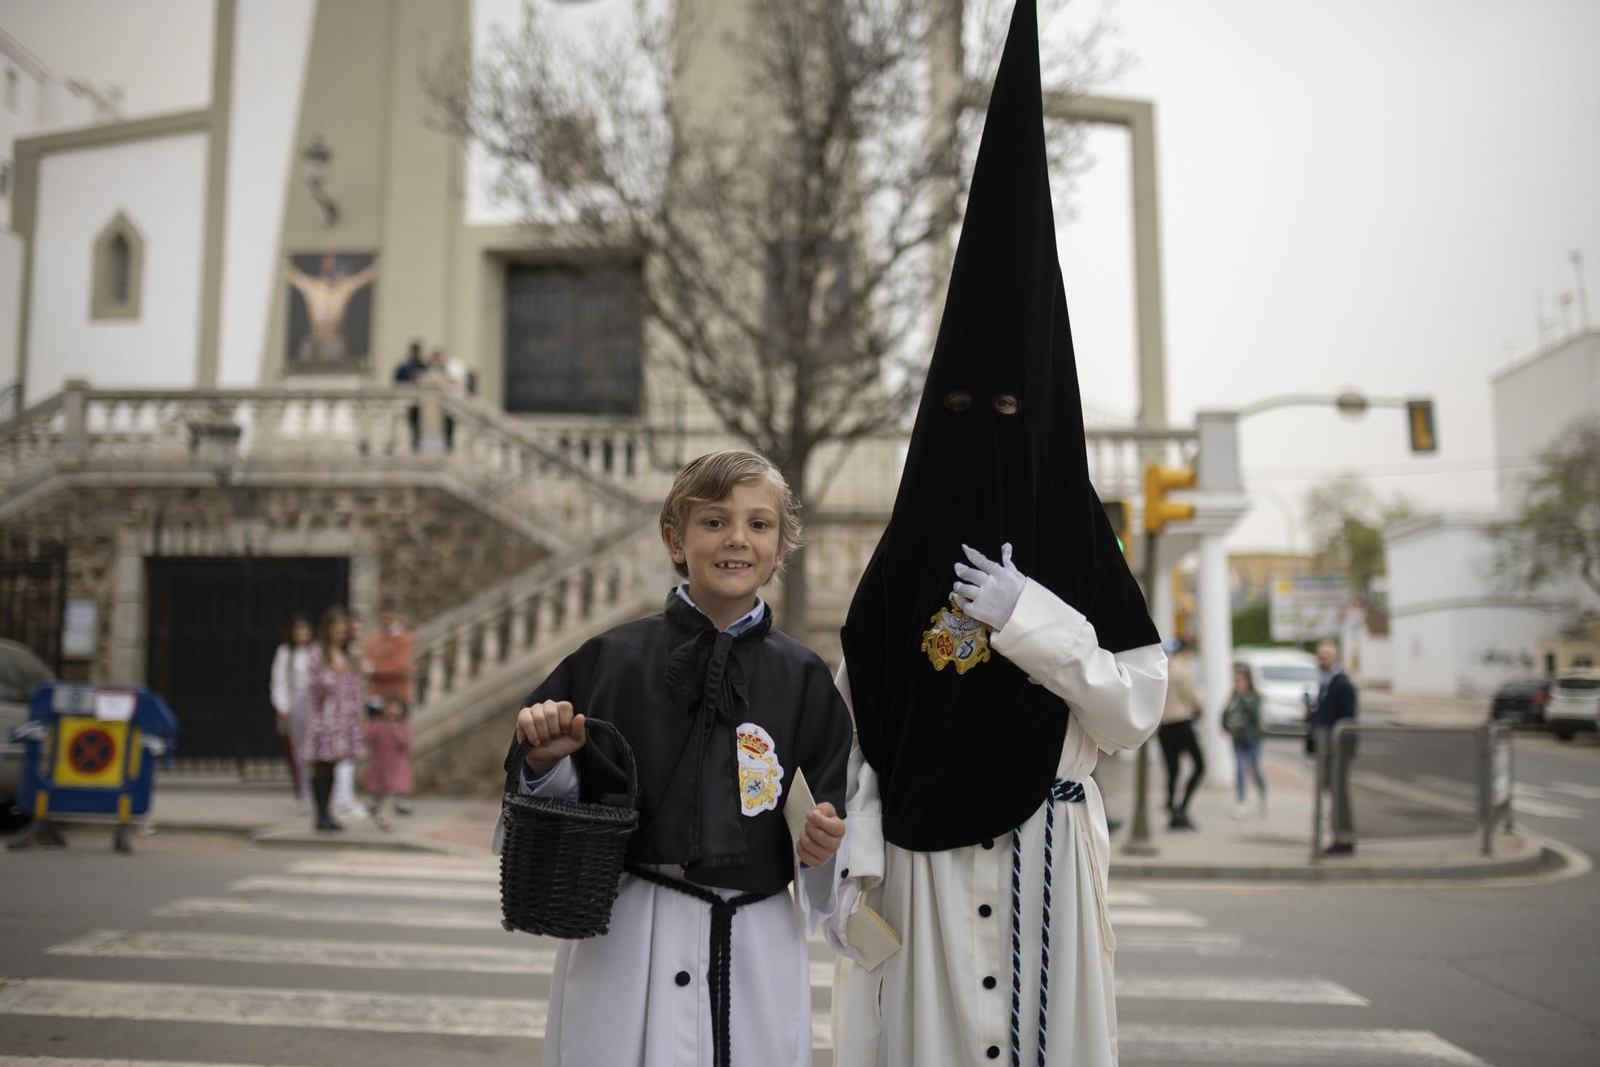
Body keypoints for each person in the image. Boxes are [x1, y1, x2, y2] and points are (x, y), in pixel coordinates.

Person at [829, 7, 1168, 1066]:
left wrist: (1034, 621)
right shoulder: (901, 565)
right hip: (919, 880)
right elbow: (868, 727)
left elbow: (1130, 711)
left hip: (1048, 859)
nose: (988, 434)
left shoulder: (1078, 543)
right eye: (966, 408)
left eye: (1014, 412)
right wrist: (864, 853)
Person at [495, 449, 854, 1067]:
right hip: (628, 938)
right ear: (676, 539)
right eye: (714, 522)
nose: (737, 539)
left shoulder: (804, 678)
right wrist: (548, 760)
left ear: (782, 545)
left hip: (755, 942)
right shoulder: (609, 660)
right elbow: (538, 818)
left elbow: (825, 812)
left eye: (759, 524)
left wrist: (822, 845)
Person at [303, 606, 366, 832]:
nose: (341, 633)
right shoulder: (317, 653)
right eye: (337, 628)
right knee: (321, 765)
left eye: (343, 629)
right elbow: (314, 685)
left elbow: (353, 686)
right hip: (324, 719)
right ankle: (319, 816)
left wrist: (358, 710)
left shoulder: (346, 654)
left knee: (334, 766)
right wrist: (333, 673)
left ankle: (328, 814)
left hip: (342, 719)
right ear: (328, 629)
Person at [364, 598, 416, 814]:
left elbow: (401, 667)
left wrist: (377, 669)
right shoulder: (373, 640)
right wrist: (378, 669)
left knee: (399, 748)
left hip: (397, 698)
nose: (385, 618)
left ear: (395, 615)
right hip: (376, 699)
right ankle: (376, 794)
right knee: (377, 750)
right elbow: (367, 664)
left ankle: (402, 794)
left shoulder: (404, 639)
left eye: (389, 614)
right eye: (382, 615)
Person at [1310, 639, 1359, 855]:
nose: (1322, 660)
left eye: (1326, 657)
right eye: (1320, 657)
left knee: (1339, 792)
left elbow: (1348, 718)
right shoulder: (1327, 682)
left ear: (1335, 658)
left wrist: (1343, 745)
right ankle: (1339, 834)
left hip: (1338, 747)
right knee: (1333, 790)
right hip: (1328, 747)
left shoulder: (1342, 684)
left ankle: (1345, 837)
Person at [1158, 637, 1207, 830]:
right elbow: (1194, 700)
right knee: (1200, 765)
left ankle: (1172, 810)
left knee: (1172, 771)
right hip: (1181, 723)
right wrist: (1202, 693)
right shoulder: (1182, 670)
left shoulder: (1165, 669)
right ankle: (1182, 808)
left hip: (1165, 726)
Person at [268, 614, 314, 812]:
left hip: (313, 703)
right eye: (298, 630)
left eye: (305, 630)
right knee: (299, 752)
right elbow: (279, 681)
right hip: (295, 703)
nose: (302, 634)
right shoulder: (285, 653)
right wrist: (282, 705)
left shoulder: (316, 651)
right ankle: (303, 793)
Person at [363, 694, 414, 832]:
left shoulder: (402, 725)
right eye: (389, 708)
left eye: (396, 708)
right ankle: (377, 808)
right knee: (381, 790)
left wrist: (400, 736)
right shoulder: (378, 724)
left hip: (397, 764)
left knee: (393, 789)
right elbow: (368, 738)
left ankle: (390, 812)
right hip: (381, 763)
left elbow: (408, 744)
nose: (392, 711)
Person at [1223, 663, 1267, 818]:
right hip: (1238, 740)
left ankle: (1262, 793)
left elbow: (1254, 716)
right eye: (1236, 680)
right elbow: (1224, 715)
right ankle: (1241, 802)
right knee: (1240, 770)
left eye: (1240, 680)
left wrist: (1242, 697)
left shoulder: (1253, 698)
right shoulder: (1232, 698)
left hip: (1253, 739)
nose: (1238, 683)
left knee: (1255, 769)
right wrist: (1225, 727)